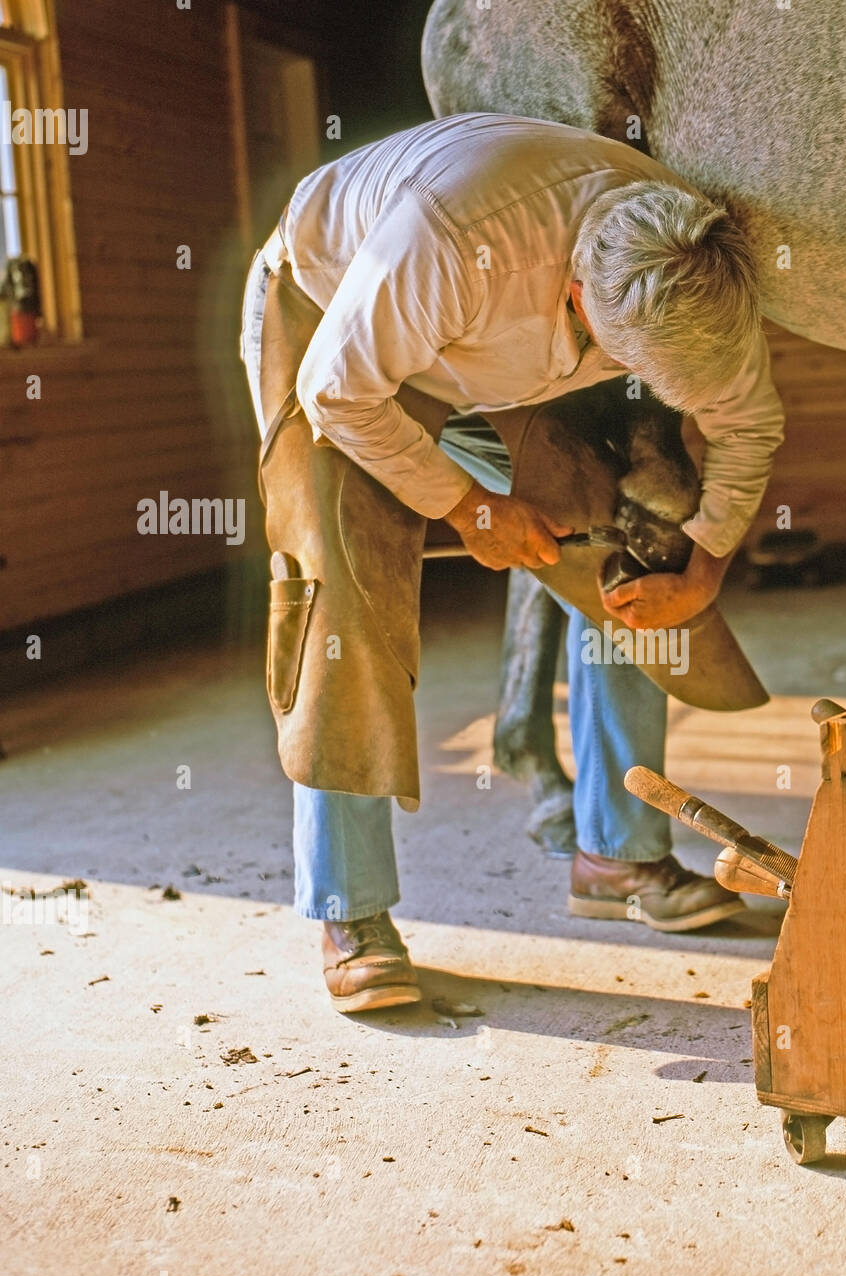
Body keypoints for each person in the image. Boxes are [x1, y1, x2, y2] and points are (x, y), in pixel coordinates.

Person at [240, 112, 785, 1013]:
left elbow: (748, 421)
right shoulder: (449, 242)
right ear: (581, 305)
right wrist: (468, 505)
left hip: (488, 355)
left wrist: (706, 561)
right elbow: (337, 390)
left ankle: (618, 854)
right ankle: (352, 908)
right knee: (342, 588)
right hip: (330, 320)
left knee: (637, 535)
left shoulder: (696, 269)